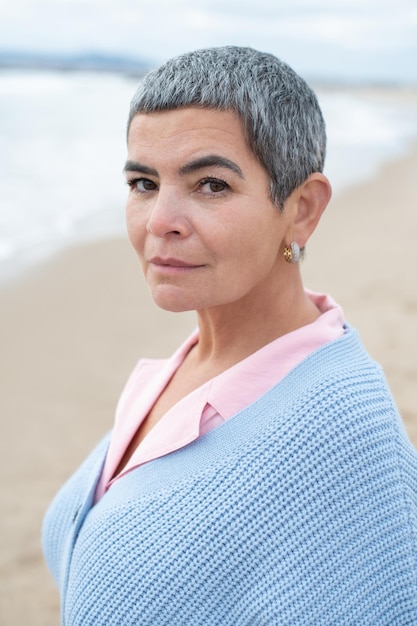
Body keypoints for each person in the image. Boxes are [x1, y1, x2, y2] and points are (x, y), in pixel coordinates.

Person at [42, 46, 417, 625]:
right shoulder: (181, 366)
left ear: (302, 210)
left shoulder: (343, 435)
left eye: (211, 185)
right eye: (143, 182)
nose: (159, 219)